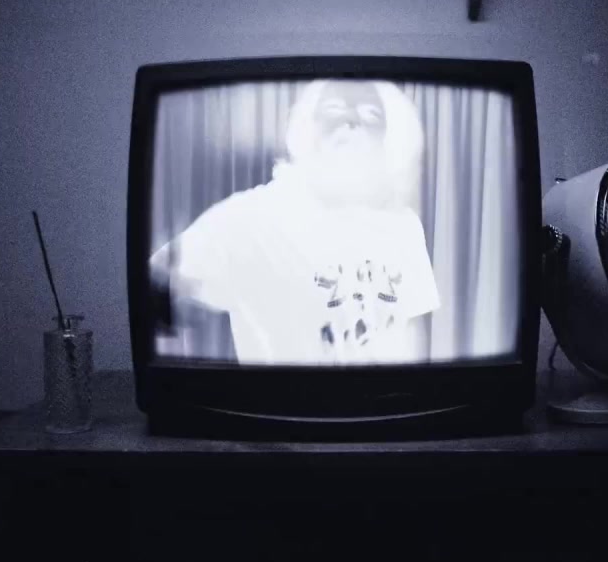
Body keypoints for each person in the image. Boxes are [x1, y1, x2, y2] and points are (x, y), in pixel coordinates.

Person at [150, 79, 441, 365]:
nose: (353, 121)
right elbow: (153, 290)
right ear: (307, 127)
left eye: (372, 114)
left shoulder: (404, 226)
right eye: (335, 109)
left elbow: (415, 333)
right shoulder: (252, 216)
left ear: (386, 136)